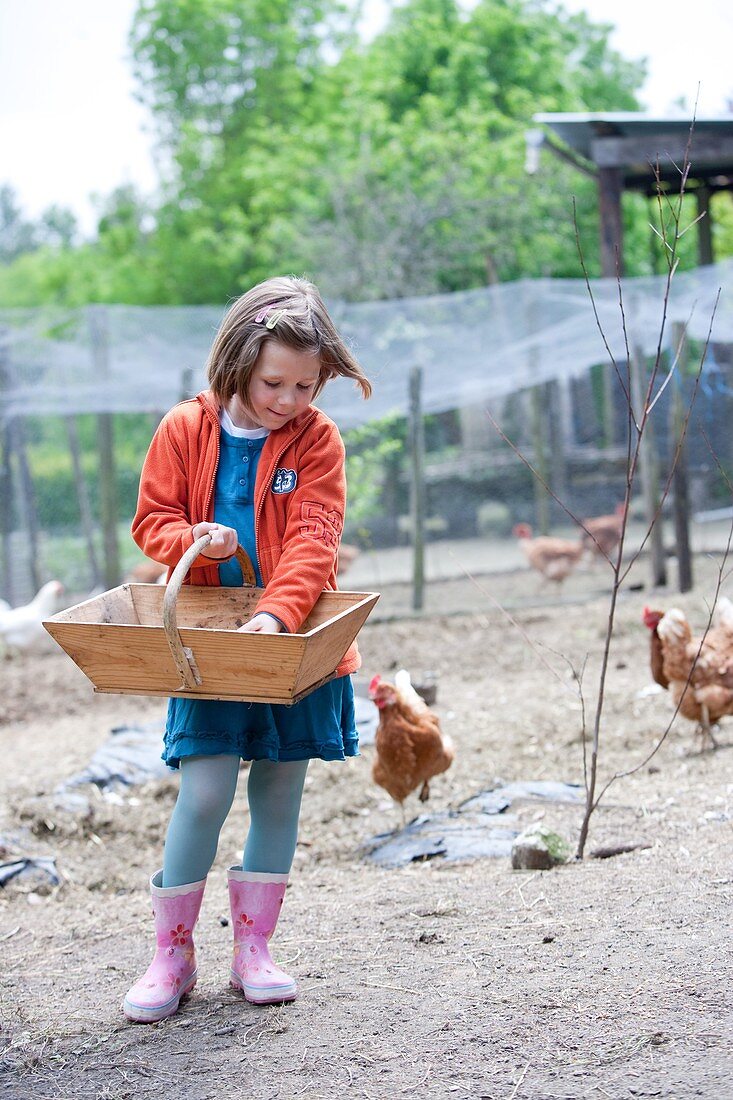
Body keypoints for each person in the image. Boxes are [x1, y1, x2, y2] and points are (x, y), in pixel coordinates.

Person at [123, 275, 371, 1023]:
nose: (290, 399)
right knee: (203, 791)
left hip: (290, 643)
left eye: (306, 384)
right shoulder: (182, 428)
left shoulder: (317, 439)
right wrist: (194, 542)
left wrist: (275, 618)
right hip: (208, 645)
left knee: (278, 792)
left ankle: (253, 950)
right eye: (274, 382)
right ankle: (171, 953)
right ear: (238, 359)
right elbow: (151, 520)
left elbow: (313, 541)